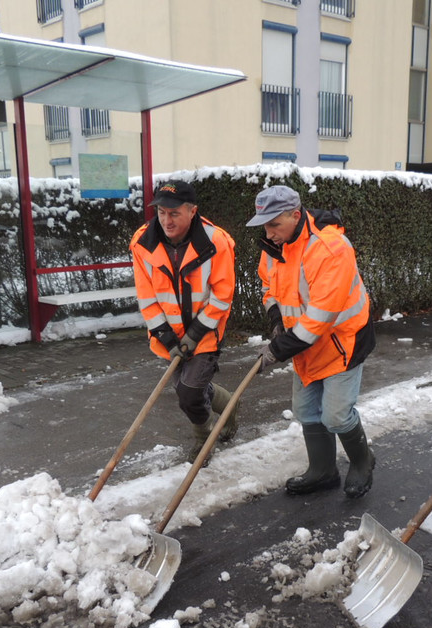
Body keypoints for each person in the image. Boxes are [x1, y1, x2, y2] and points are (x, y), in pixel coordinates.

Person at [246, 185, 377, 498]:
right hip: (303, 342)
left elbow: (321, 317)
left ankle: (363, 461)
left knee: (336, 416)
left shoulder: (330, 248)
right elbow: (268, 286)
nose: (269, 233)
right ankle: (323, 470)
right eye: (264, 225)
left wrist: (277, 350)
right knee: (306, 411)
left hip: (342, 342)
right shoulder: (275, 246)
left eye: (274, 224)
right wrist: (276, 319)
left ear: (296, 215)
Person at [131, 180, 237, 464]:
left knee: (189, 394)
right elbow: (147, 297)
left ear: (192, 211)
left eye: (175, 213)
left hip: (206, 331)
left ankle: (204, 439)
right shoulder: (142, 243)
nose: (167, 220)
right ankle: (228, 403)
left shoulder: (215, 242)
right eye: (161, 212)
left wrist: (195, 334)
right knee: (186, 389)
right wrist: (167, 337)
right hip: (169, 334)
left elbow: (222, 295)